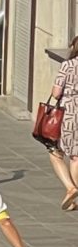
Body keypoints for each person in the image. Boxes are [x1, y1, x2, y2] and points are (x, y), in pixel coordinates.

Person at [50, 39, 78, 209]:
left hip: (68, 114)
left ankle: (71, 187)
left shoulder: (67, 65)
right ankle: (74, 194)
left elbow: (56, 93)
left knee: (54, 152)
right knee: (76, 157)